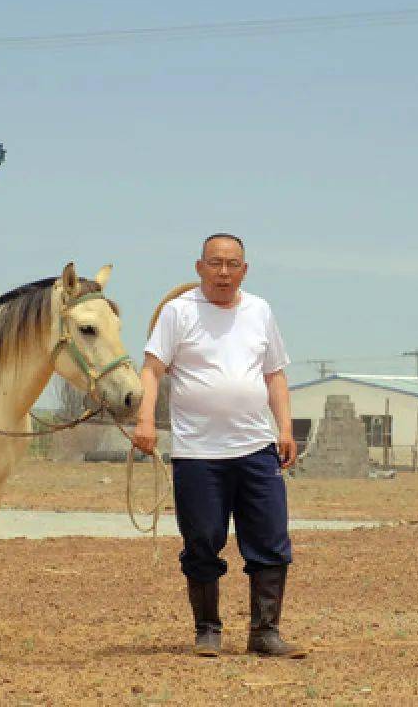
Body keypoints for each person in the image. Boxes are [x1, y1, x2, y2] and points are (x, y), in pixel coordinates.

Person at [133, 233, 306, 658]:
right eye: (215, 263)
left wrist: (285, 428)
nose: (223, 272)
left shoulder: (260, 311)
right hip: (197, 453)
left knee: (269, 539)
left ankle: (265, 632)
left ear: (244, 270)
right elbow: (153, 370)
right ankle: (207, 630)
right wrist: (144, 420)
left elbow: (275, 375)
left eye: (232, 264)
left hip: (256, 448)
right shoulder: (178, 312)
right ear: (199, 267)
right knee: (202, 539)